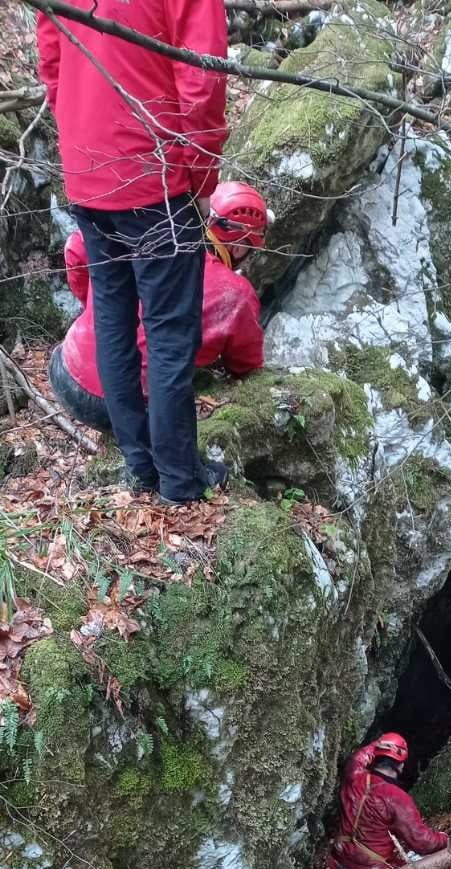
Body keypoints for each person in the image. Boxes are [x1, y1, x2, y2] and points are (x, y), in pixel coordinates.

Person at [36, 0, 230, 504]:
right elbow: (203, 76)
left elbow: (52, 58)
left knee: (113, 317)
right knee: (168, 333)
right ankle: (179, 482)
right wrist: (202, 177)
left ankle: (143, 467)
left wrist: (78, 138)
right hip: (155, 174)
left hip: (89, 170)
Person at [49, 183, 267, 440]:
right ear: (239, 247)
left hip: (63, 368)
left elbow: (76, 248)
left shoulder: (145, 231)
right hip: (113, 407)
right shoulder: (236, 294)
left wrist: (97, 312)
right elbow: (245, 364)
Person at [330, 734, 448, 869]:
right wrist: (443, 839)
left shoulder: (354, 775)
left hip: (338, 864)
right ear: (401, 766)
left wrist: (380, 745)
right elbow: (424, 843)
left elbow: (359, 757)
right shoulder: (396, 797)